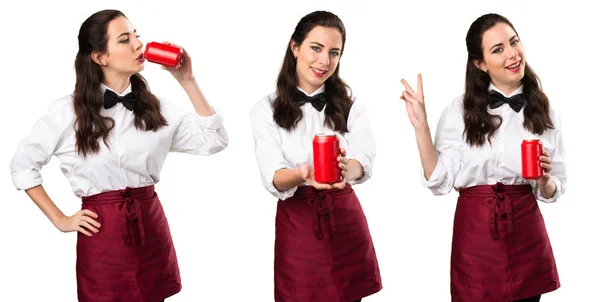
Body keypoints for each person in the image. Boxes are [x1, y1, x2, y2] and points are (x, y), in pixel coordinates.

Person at [9, 9, 228, 301]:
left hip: (150, 227)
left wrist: (187, 80)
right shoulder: (67, 113)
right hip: (103, 234)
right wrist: (60, 219)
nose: (139, 45)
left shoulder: (157, 108)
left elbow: (213, 140)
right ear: (100, 57)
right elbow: (22, 165)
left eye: (136, 35)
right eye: (125, 40)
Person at [400, 13, 565, 302]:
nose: (512, 54)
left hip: (526, 231)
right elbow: (440, 181)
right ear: (480, 63)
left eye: (514, 42)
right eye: (497, 49)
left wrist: (544, 179)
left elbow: (552, 190)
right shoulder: (458, 111)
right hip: (476, 234)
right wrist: (421, 127)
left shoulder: (544, 110)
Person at [249, 10, 382, 302]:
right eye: (316, 48)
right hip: (299, 225)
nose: (325, 61)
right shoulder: (265, 110)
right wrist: (302, 174)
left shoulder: (351, 105)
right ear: (295, 46)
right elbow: (273, 175)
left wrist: (349, 170)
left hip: (345, 219)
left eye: (334, 52)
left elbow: (364, 156)